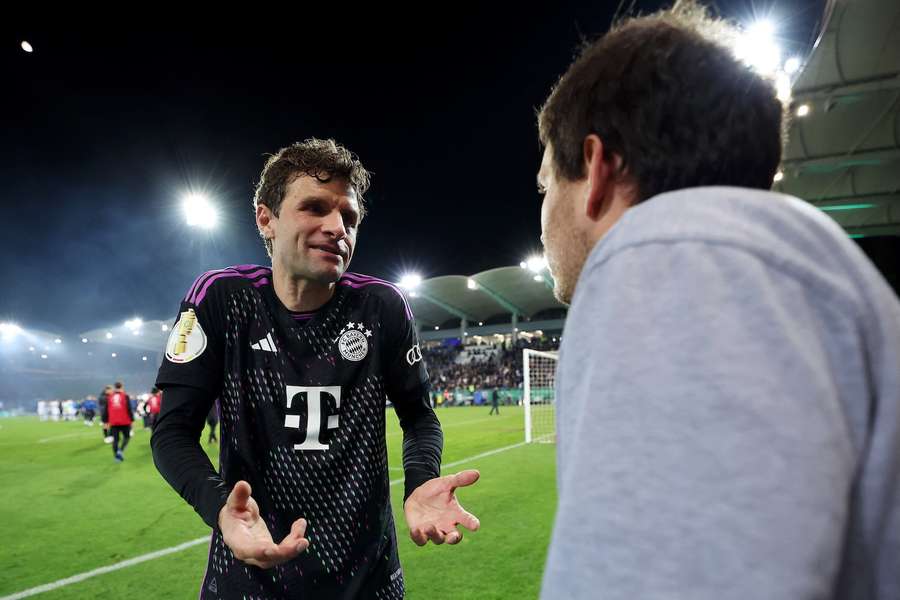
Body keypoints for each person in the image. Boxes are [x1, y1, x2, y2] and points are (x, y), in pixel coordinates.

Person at [536, 2, 900, 598]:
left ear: (597, 169)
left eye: (547, 184)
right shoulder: (811, 272)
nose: (544, 217)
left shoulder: (671, 261)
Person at [151, 138, 480, 599]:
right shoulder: (221, 298)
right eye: (314, 208)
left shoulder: (381, 307)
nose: (337, 227)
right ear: (266, 218)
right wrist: (221, 507)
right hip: (246, 581)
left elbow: (419, 416)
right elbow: (172, 432)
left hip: (368, 581)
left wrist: (421, 482)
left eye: (349, 217)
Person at [107, 382, 134, 462]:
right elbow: (129, 408)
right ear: (121, 387)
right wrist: (132, 419)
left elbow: (106, 409)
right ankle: (120, 451)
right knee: (127, 437)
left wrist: (105, 420)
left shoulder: (110, 397)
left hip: (113, 421)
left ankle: (116, 456)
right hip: (124, 421)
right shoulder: (125, 396)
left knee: (115, 440)